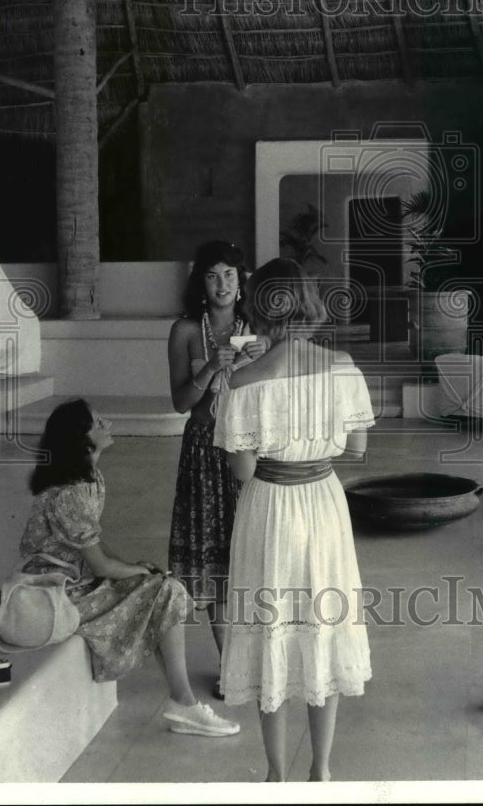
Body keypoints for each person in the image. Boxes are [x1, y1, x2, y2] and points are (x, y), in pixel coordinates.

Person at [213, 258, 375, 781]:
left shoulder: (242, 381)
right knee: (323, 626)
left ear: (257, 307)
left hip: (271, 508)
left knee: (271, 630)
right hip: (324, 503)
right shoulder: (343, 365)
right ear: (308, 304)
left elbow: (242, 469)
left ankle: (276, 775)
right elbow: (357, 449)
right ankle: (322, 770)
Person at [19, 398, 239, 737]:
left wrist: (134, 567)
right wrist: (138, 573)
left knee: (165, 589)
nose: (107, 424)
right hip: (58, 592)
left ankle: (183, 702)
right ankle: (184, 704)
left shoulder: (90, 477)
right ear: (81, 438)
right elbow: (100, 564)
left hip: (79, 579)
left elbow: (95, 548)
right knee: (166, 589)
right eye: (96, 423)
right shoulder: (69, 494)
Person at [167, 241, 266, 697]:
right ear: (200, 284)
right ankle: (230, 663)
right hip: (205, 450)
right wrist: (210, 365)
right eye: (212, 275)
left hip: (250, 447)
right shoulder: (186, 330)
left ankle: (262, 655)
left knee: (256, 550)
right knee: (214, 557)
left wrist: (258, 361)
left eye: (230, 273)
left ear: (242, 279)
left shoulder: (260, 327)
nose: (223, 284)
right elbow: (182, 402)